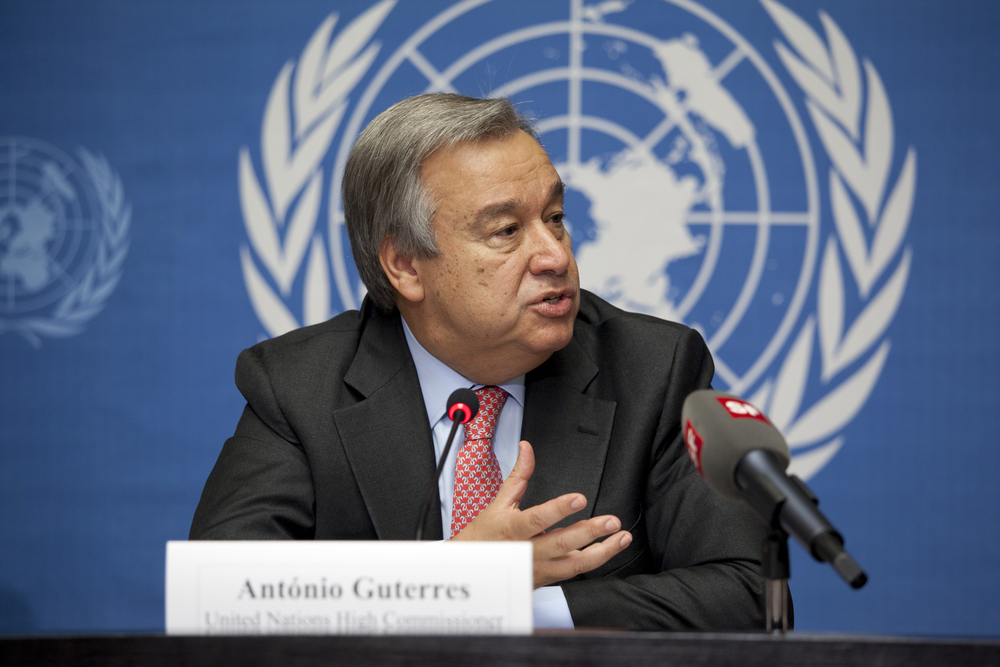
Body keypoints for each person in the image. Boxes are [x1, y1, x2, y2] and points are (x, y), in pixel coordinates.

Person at [191, 93, 770, 630]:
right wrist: (454, 581)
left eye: (556, 217)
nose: (553, 254)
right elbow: (216, 600)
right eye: (506, 230)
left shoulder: (652, 369)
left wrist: (517, 603)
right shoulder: (300, 387)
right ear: (406, 266)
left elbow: (749, 595)